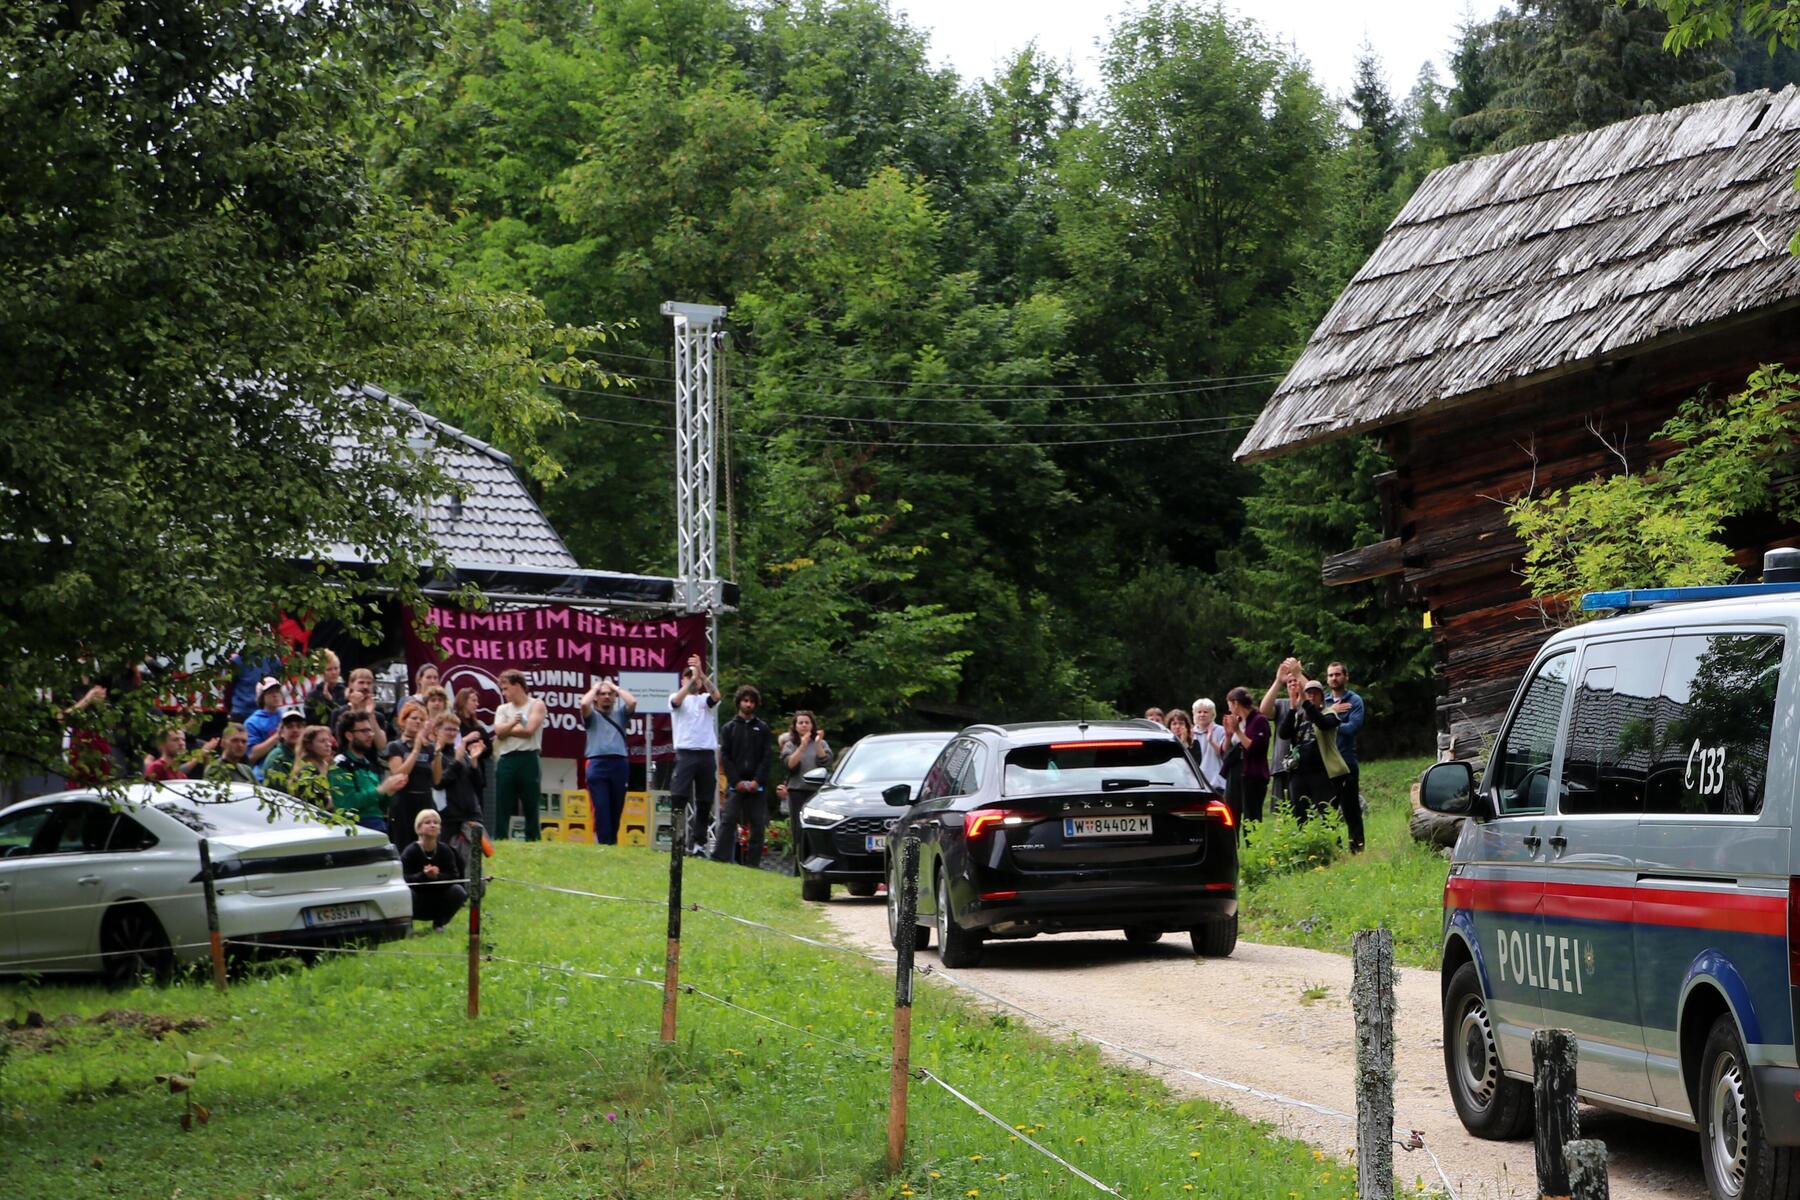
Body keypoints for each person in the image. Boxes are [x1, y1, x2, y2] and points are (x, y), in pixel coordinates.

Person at [668, 655, 722, 856]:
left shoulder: (704, 700)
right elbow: (675, 701)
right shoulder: (677, 698)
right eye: (688, 677)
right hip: (685, 753)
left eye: (696, 678)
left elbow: (716, 696)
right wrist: (692, 678)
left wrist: (702, 675)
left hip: (706, 754)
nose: (693, 680)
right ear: (682, 680)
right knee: (679, 797)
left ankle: (699, 844)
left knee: (704, 800)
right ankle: (678, 840)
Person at [713, 684, 772, 867]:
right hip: (735, 784)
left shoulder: (762, 728)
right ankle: (720, 859)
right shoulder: (729, 728)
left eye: (752, 702)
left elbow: (766, 756)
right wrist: (736, 780)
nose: (748, 705)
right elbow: (726, 757)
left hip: (757, 784)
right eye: (745, 701)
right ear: (739, 702)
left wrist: (757, 780)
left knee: (757, 824)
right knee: (728, 819)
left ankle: (753, 864)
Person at [580, 676, 637, 846]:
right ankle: (604, 843)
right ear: (596, 697)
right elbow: (584, 704)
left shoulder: (620, 715)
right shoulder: (591, 716)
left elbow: (632, 702)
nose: (606, 696)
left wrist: (615, 687)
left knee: (616, 807)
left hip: (619, 764)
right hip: (597, 764)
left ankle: (612, 842)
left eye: (610, 694)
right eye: (602, 694)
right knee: (601, 807)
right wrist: (595, 688)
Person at [1277, 679, 1343, 826]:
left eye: (1315, 694)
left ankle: (1334, 845)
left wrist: (1306, 703)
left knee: (1327, 813)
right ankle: (1305, 846)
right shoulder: (1299, 717)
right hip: (1298, 772)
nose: (1311, 696)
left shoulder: (1329, 713)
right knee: (1300, 814)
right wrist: (1293, 708)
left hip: (1321, 772)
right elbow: (1283, 734)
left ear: (1321, 697)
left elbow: (1323, 724)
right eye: (1308, 694)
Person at [492, 669, 546, 841]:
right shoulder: (502, 708)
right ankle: (500, 839)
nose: (504, 692)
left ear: (517, 685)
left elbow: (529, 730)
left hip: (529, 758)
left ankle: (533, 839)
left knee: (531, 802)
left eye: (506, 688)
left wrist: (507, 729)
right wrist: (513, 724)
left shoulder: (536, 704)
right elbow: (498, 731)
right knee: (503, 802)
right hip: (507, 758)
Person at [329, 711, 404, 832]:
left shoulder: (368, 763)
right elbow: (347, 802)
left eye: (370, 730)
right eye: (364, 731)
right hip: (356, 829)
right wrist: (380, 790)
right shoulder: (340, 764)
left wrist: (390, 792)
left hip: (378, 826)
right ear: (349, 735)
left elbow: (380, 806)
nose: (370, 735)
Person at [399, 809, 467, 931]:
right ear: (419, 828)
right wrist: (424, 875)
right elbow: (402, 878)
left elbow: (454, 876)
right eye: (427, 822)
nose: (432, 825)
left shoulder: (445, 850)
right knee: (404, 894)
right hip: (417, 897)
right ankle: (408, 925)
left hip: (439, 895)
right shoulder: (410, 851)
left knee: (458, 891)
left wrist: (437, 876)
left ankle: (439, 923)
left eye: (436, 822)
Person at [1325, 661, 1367, 853]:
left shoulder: (1354, 701)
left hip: (1346, 760)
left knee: (1350, 808)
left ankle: (1357, 848)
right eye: (1331, 675)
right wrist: (1332, 714)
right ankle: (1333, 849)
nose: (1334, 678)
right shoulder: (1324, 702)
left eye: (1337, 674)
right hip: (1326, 763)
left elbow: (1352, 728)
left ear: (1346, 677)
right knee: (1327, 809)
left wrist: (1330, 722)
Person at [776, 711, 832, 854]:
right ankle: (798, 862)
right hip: (797, 791)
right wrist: (802, 746)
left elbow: (826, 762)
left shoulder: (822, 743)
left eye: (807, 722)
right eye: (800, 723)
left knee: (817, 826)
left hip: (816, 792)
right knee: (798, 828)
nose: (804, 725)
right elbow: (790, 765)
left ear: (812, 725)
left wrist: (818, 743)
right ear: (795, 726)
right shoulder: (789, 745)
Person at [384, 701, 438, 850]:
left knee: (426, 844)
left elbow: (437, 779)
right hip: (403, 802)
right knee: (403, 844)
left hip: (425, 800)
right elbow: (399, 775)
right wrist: (415, 750)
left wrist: (437, 753)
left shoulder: (429, 748)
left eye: (421, 719)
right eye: (414, 718)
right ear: (404, 720)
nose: (418, 722)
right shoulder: (395, 746)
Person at [433, 715, 487, 853]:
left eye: (455, 730)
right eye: (448, 729)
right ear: (437, 730)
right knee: (450, 859)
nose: (452, 733)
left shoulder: (461, 754)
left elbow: (478, 784)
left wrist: (474, 761)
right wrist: (456, 762)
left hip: (471, 815)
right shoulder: (435, 754)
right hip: (449, 818)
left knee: (473, 863)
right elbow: (439, 783)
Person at [1259, 657, 1304, 810]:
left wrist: (1299, 674)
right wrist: (1278, 681)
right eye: (1289, 682)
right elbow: (1264, 710)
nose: (1292, 683)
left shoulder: (1310, 703)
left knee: (1305, 809)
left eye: (1295, 680)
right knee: (1282, 811)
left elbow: (1311, 691)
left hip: (1307, 766)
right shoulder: (1281, 704)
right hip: (1282, 766)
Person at [1224, 687, 1272, 823]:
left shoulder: (1259, 720)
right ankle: (1233, 843)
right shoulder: (1238, 721)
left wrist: (1238, 731)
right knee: (1232, 813)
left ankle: (1253, 843)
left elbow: (1255, 748)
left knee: (1251, 816)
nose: (1229, 710)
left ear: (1235, 703)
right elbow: (1226, 750)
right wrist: (1228, 735)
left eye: (1229, 705)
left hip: (1252, 774)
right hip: (1235, 772)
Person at [452, 689, 496, 833]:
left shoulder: (477, 726)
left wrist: (480, 749)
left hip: (476, 773)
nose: (477, 704)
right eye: (473, 700)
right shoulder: (455, 723)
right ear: (463, 701)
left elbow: (489, 749)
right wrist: (466, 743)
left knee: (477, 812)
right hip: (460, 774)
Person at [331, 668, 391, 754]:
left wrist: (370, 715)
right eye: (361, 682)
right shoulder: (339, 713)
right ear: (351, 685)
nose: (365, 687)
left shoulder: (378, 715)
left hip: (371, 763)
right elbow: (339, 742)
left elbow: (381, 746)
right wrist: (355, 708)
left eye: (369, 683)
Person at [287, 724, 336, 809]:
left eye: (328, 740)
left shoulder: (327, 765)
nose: (328, 744)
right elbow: (317, 804)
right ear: (309, 745)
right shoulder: (308, 770)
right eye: (322, 741)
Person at [241, 677, 286, 765]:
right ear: (262, 697)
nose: (275, 695)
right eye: (270, 692)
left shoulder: (286, 716)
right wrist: (277, 736)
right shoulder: (252, 722)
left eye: (277, 691)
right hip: (262, 770)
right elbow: (251, 754)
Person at [1190, 699, 1230, 794]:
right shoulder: (1190, 733)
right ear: (1194, 714)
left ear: (1212, 714)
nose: (1202, 714)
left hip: (1216, 783)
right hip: (1195, 784)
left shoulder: (1221, 731)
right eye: (1199, 712)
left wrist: (1211, 740)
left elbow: (1223, 754)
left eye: (1205, 712)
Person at [258, 710, 306, 785]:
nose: (295, 730)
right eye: (289, 727)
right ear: (281, 732)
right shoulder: (277, 759)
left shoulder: (306, 755)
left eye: (299, 726)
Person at [145, 728, 211, 781]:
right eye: (175, 740)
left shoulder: (181, 774)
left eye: (183, 740)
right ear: (162, 743)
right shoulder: (157, 767)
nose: (181, 743)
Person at [303, 650, 346, 726]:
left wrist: (331, 701)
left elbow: (346, 716)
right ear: (321, 672)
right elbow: (311, 721)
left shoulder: (344, 690)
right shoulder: (313, 695)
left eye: (336, 668)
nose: (334, 672)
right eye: (329, 669)